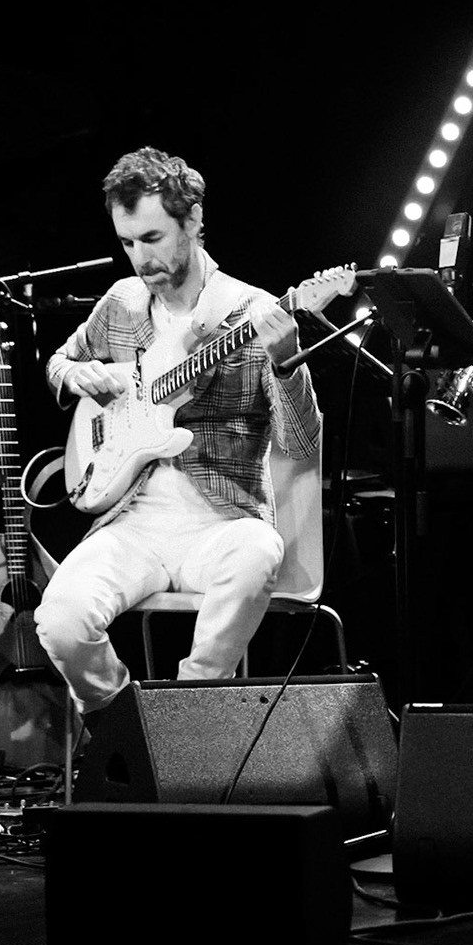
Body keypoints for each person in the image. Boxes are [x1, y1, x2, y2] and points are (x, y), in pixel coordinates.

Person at [33, 147, 321, 726]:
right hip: (132, 520)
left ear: (192, 221)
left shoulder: (249, 309)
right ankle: (120, 723)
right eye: (128, 243)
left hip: (222, 519)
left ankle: (189, 713)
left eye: (154, 238)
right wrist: (76, 374)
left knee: (258, 553)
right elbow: (62, 363)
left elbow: (302, 444)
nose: (141, 258)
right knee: (60, 619)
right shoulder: (120, 303)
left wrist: (288, 363)